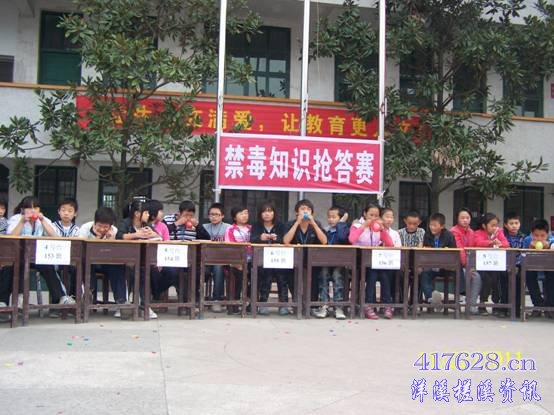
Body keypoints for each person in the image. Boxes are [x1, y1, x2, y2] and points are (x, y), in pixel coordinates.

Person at [0, 196, 74, 311]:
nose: (32, 211)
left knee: (48, 265)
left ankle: (62, 296)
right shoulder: (16, 219)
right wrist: (22, 222)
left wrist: (43, 221)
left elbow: (55, 236)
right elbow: (10, 237)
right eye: (29, 208)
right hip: (18, 257)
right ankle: (5, 301)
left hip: (37, 257)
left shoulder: (43, 220)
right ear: (23, 210)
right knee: (11, 267)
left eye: (35, 208)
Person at [79, 207, 128, 318]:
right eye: (99, 226)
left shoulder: (114, 231)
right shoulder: (85, 228)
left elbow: (118, 252)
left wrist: (111, 240)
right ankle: (87, 298)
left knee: (118, 266)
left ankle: (121, 303)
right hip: (89, 262)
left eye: (106, 227)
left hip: (107, 262)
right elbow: (81, 249)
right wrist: (97, 238)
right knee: (85, 266)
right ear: (95, 222)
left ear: (111, 225)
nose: (102, 229)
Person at [349, 203, 394, 319]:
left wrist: (383, 230)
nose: (373, 218)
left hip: (376, 261)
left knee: (385, 274)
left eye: (376, 216)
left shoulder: (377, 228)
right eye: (371, 215)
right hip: (359, 261)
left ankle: (386, 305)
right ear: (365, 214)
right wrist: (364, 226)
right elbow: (352, 239)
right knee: (372, 274)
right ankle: (368, 305)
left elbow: (390, 244)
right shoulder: (356, 225)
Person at [283, 199, 327, 307]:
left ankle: (312, 304)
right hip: (294, 260)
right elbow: (286, 241)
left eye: (308, 209)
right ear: (297, 212)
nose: (305, 211)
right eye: (302, 209)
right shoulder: (290, 224)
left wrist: (314, 224)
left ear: (312, 213)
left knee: (315, 277)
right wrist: (297, 223)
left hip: (311, 260)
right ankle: (297, 303)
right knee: (291, 277)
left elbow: (324, 241)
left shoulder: (316, 224)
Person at [250, 202, 288, 316]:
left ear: (274, 213)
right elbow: (252, 239)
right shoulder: (256, 225)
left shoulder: (281, 225)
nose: (267, 214)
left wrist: (277, 239)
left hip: (279, 259)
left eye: (270, 211)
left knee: (282, 276)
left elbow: (286, 240)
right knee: (266, 274)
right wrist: (260, 238)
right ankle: (263, 303)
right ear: (260, 214)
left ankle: (284, 304)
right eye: (264, 211)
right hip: (262, 260)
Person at [313, 206, 350, 320]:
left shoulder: (344, 230)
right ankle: (324, 305)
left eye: (334, 217)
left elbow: (342, 238)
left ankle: (338, 306)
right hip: (325, 262)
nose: (331, 219)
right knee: (323, 275)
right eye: (329, 217)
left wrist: (341, 223)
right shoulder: (326, 230)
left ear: (341, 218)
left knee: (337, 276)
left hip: (339, 263)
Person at [419, 213, 458, 309]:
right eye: (430, 225)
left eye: (435, 225)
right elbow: (425, 251)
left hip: (445, 267)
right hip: (431, 266)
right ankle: (432, 297)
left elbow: (454, 253)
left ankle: (457, 301)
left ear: (442, 226)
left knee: (457, 273)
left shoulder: (449, 236)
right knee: (423, 275)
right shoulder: (427, 235)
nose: (432, 227)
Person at [474, 212, 509, 316]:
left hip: (495, 264)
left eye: (496, 225)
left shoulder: (499, 232)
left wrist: (500, 243)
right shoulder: (478, 233)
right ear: (484, 225)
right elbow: (477, 243)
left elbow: (506, 244)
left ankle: (496, 304)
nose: (495, 228)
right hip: (481, 264)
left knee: (496, 280)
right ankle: (482, 303)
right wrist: (491, 242)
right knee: (487, 280)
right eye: (492, 225)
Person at [450, 207, 482, 315]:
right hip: (457, 264)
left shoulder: (472, 232)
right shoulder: (453, 231)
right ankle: (463, 303)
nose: (465, 220)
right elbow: (460, 250)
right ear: (457, 219)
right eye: (462, 218)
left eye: (467, 218)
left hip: (469, 264)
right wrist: (467, 266)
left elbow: (473, 250)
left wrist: (472, 265)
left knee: (477, 276)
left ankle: (471, 305)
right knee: (473, 275)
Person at [200, 202, 230, 312]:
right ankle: (197, 299)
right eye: (211, 214)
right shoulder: (204, 227)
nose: (214, 217)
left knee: (218, 267)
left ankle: (217, 299)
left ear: (222, 216)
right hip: (206, 259)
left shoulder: (228, 228)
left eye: (217, 214)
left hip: (223, 260)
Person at [522, 219, 554, 318]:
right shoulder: (527, 240)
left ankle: (550, 306)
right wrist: (530, 248)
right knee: (528, 275)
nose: (539, 238)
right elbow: (522, 257)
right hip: (532, 266)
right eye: (536, 235)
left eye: (542, 236)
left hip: (549, 267)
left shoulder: (552, 240)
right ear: (532, 234)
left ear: (547, 234)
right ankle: (538, 304)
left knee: (552, 276)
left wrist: (549, 248)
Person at [225, 206, 252, 313]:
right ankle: (235, 302)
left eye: (246, 213)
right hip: (235, 261)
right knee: (239, 275)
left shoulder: (251, 228)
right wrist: (237, 263)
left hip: (251, 260)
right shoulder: (230, 229)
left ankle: (250, 302)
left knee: (255, 274)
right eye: (241, 214)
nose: (244, 216)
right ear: (234, 217)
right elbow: (230, 248)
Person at [503, 212, 525, 318]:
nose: (514, 226)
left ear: (520, 224)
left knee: (519, 281)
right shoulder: (502, 237)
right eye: (511, 223)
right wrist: (509, 265)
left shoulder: (523, 237)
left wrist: (516, 265)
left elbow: (523, 253)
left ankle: (516, 309)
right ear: (506, 225)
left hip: (519, 266)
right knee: (503, 280)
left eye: (516, 223)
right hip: (505, 265)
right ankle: (503, 308)